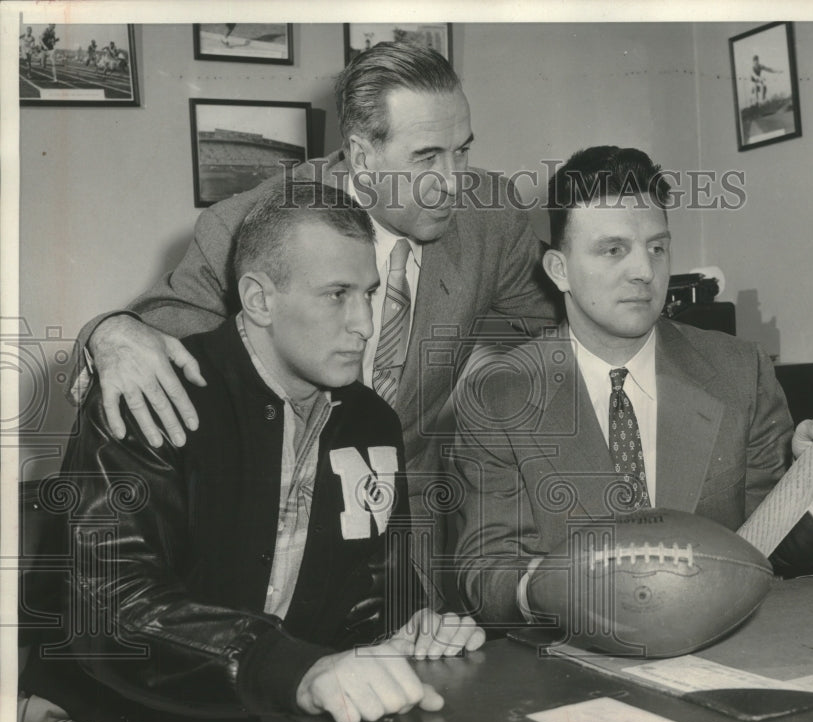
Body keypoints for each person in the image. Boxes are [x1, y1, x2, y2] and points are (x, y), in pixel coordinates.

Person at [18, 183, 485, 722]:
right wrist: (293, 670)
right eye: (337, 295)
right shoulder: (150, 395)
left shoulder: (370, 421)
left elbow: (374, 586)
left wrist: (414, 625)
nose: (366, 323)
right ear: (259, 299)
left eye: (369, 293)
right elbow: (116, 612)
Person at [70, 41, 557, 600]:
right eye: (427, 157)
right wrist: (107, 330)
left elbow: (564, 310)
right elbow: (153, 328)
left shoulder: (488, 219)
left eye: (462, 150)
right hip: (267, 534)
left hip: (402, 536)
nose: (452, 180)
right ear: (363, 156)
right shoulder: (252, 223)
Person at [450, 146, 813, 625]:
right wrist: (574, 589)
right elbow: (486, 575)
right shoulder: (501, 397)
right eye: (614, 250)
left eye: (657, 248)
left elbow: (781, 553)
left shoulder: (737, 372)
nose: (645, 271)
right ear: (559, 270)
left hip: (722, 646)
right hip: (573, 663)